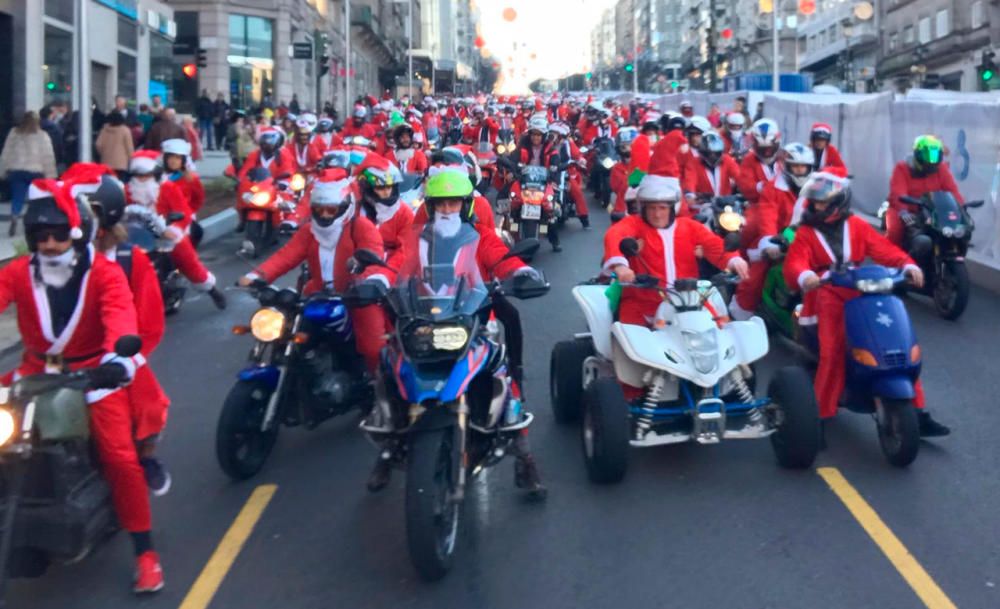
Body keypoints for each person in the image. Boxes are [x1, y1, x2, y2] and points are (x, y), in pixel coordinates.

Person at [0, 179, 163, 593]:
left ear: (76, 232)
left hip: (92, 376)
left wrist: (115, 360)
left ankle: (145, 555)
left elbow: (120, 316)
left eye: (58, 235)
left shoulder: (105, 272)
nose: (50, 244)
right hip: (35, 376)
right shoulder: (18, 272)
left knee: (121, 459)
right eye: (41, 237)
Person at [366, 170, 547, 498]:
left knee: (504, 376)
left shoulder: (481, 234)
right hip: (421, 319)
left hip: (472, 320)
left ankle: (525, 457)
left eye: (454, 203)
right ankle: (388, 445)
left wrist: (521, 272)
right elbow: (394, 263)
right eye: (441, 204)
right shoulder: (415, 237)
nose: (447, 210)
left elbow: (503, 259)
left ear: (465, 206)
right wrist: (377, 278)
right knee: (388, 364)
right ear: (431, 207)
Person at [783, 171, 950, 438]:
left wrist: (906, 264)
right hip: (827, 295)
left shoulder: (857, 226)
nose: (816, 207)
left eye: (822, 203)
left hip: (861, 291)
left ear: (838, 202)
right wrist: (806, 275)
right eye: (814, 203)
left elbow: (883, 249)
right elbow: (795, 263)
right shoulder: (805, 233)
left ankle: (917, 413)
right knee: (833, 353)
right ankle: (819, 418)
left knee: (899, 349)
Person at [62, 163, 173, 495]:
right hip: (59, 359)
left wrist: (121, 360)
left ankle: (146, 456)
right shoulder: (48, 261)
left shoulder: (130, 260)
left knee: (149, 405)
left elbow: (149, 324)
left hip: (115, 357)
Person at [602, 175, 749, 399]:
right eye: (651, 208)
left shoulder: (690, 227)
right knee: (629, 342)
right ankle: (632, 396)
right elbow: (615, 236)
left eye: (662, 207)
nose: (657, 213)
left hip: (689, 303)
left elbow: (714, 246)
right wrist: (621, 265)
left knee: (725, 331)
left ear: (673, 207)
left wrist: (733, 260)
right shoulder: (633, 225)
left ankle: (727, 381)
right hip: (643, 301)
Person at [237, 174, 389, 373]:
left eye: (331, 210)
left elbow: (374, 256)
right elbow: (285, 257)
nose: (325, 215)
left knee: (373, 348)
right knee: (288, 336)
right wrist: (257, 276)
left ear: (344, 209)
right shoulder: (309, 231)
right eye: (319, 210)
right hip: (318, 296)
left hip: (355, 298)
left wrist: (366, 283)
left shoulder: (361, 227)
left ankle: (377, 391)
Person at [126, 151, 227, 309]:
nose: (142, 179)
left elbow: (184, 213)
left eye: (146, 175)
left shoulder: (168, 188)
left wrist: (173, 229)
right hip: (137, 236)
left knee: (188, 261)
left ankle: (212, 290)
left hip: (166, 233)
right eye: (138, 175)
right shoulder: (128, 190)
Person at [731, 142, 815, 321]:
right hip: (779, 239)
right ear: (786, 166)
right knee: (755, 276)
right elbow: (767, 215)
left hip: (809, 240)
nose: (800, 171)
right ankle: (741, 316)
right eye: (796, 166)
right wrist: (770, 241)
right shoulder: (773, 188)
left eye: (803, 167)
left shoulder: (816, 188)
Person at [885, 135, 963, 249]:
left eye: (935, 155)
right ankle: (889, 262)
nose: (931, 160)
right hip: (906, 211)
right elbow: (898, 193)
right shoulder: (902, 168)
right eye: (927, 155)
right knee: (894, 231)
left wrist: (960, 208)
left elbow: (953, 191)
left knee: (956, 233)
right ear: (917, 154)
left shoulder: (942, 169)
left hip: (932, 212)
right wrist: (903, 212)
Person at [0, 111, 57, 236]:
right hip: (36, 172)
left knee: (17, 197)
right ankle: (33, 221)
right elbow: (48, 157)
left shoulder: (14, 133)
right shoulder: (43, 135)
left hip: (16, 171)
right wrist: (51, 176)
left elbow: (6, 152)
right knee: (36, 199)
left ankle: (15, 216)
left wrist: (3, 170)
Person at [356, 156, 413, 271]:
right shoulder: (356, 210)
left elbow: (405, 250)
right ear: (368, 188)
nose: (387, 192)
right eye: (380, 188)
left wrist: (385, 275)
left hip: (389, 271)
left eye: (389, 187)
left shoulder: (404, 213)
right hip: (357, 268)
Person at [682, 131, 741, 216]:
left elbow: (739, 176)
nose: (713, 157)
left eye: (716, 153)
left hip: (727, 206)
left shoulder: (727, 160)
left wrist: (745, 190)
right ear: (702, 152)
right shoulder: (693, 163)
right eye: (709, 154)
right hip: (704, 206)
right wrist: (690, 195)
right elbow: (690, 180)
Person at [545, 120, 591, 229]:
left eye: (558, 135)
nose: (555, 137)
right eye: (553, 133)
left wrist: (580, 160)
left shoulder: (568, 143)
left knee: (577, 192)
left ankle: (584, 219)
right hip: (547, 173)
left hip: (564, 173)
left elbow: (577, 154)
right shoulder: (544, 144)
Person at [736, 118, 781, 203]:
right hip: (759, 206)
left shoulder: (785, 159)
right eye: (762, 149)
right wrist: (765, 187)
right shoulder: (749, 160)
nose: (766, 153)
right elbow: (746, 187)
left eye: (769, 148)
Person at [610, 127, 639, 221]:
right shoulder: (617, 168)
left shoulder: (646, 163)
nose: (628, 149)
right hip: (623, 210)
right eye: (624, 146)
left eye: (631, 145)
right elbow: (618, 188)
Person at [95, 111, 135, 180]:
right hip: (121, 164)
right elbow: (129, 148)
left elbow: (98, 144)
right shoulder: (125, 130)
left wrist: (103, 154)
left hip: (106, 163)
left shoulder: (104, 130)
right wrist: (131, 159)